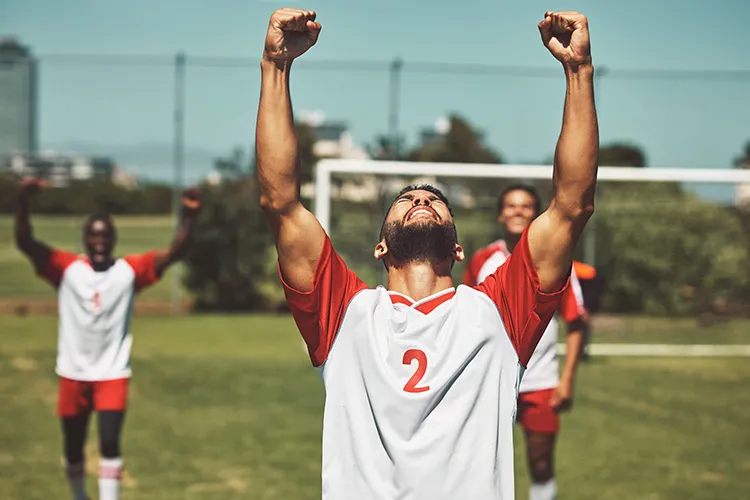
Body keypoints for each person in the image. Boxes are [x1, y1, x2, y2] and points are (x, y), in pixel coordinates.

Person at [256, 8, 598, 499]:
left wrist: (579, 71)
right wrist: (275, 66)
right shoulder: (342, 312)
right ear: (380, 245)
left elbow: (571, 206)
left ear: (458, 247)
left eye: (434, 200)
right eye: (406, 200)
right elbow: (279, 202)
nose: (420, 200)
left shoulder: (500, 311)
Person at [14, 177, 201, 500]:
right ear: (85, 239)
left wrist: (189, 216)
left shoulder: (128, 271)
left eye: (105, 234)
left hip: (112, 374)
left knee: (110, 441)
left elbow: (174, 253)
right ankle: (79, 496)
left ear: (114, 239)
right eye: (93, 234)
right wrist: (22, 202)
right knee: (72, 448)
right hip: (73, 374)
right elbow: (26, 241)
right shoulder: (67, 269)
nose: (99, 240)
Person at [464, 184, 590, 500]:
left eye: (526, 206)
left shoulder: (556, 261)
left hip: (540, 382)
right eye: (511, 205)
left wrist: (567, 380)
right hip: (488, 382)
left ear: (536, 214)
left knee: (541, 464)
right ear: (499, 214)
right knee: (479, 467)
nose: (518, 211)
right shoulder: (482, 260)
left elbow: (576, 323)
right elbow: (462, 318)